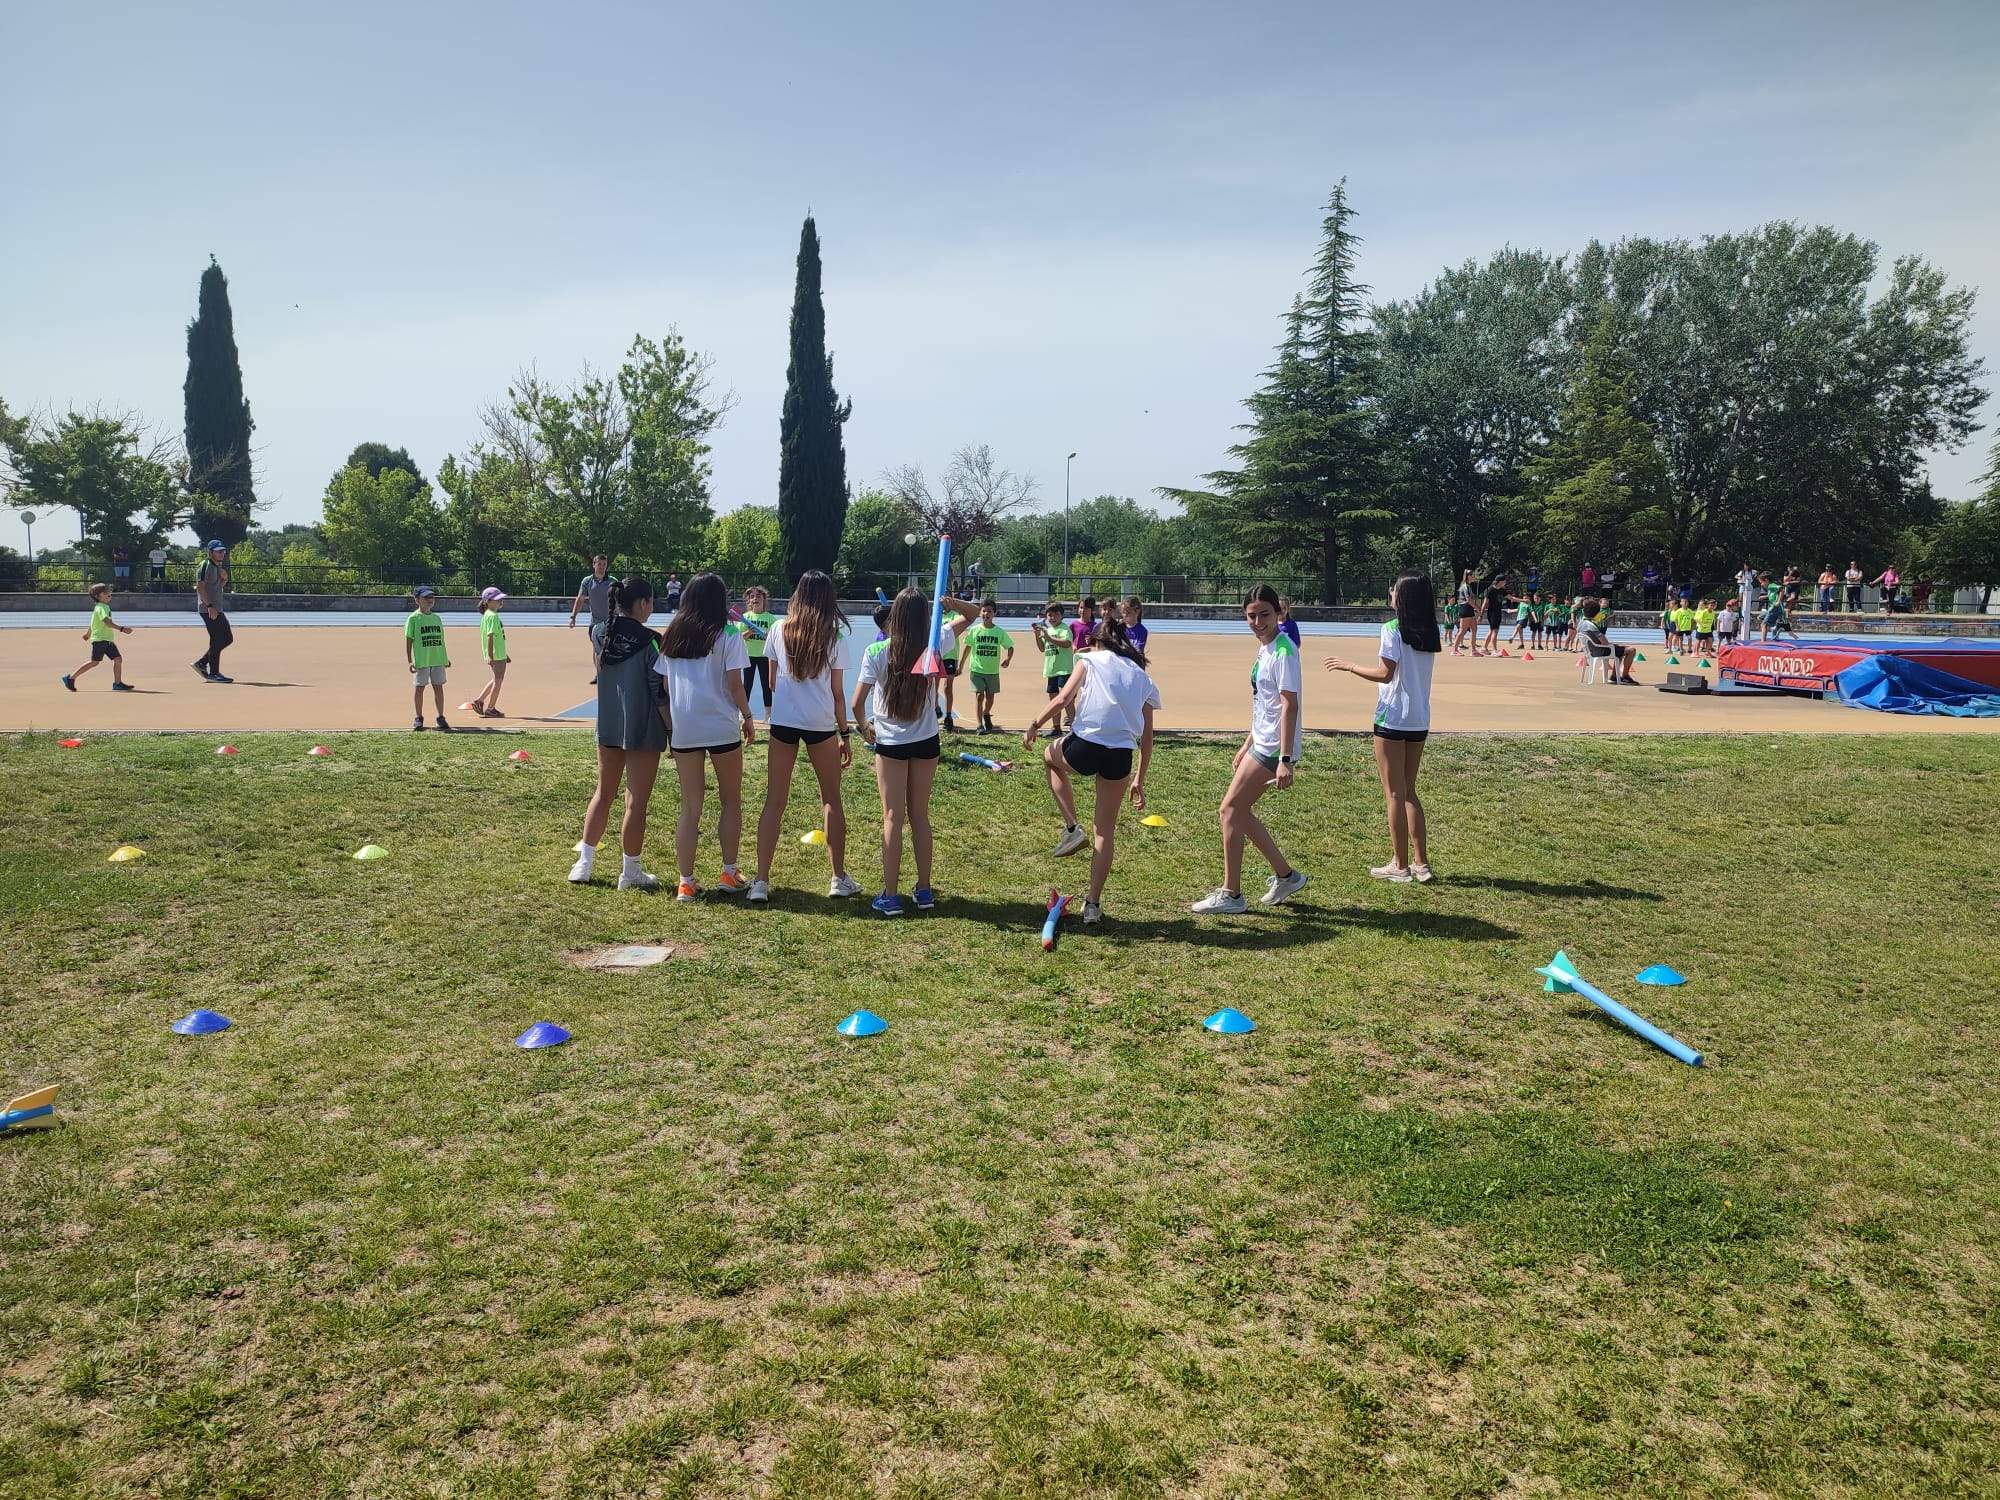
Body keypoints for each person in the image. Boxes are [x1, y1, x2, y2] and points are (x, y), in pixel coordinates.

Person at [1023, 617, 1158, 925]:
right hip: (1121, 755)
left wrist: (1035, 725)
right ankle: (1093, 905)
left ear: (1097, 642)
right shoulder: (1142, 676)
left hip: (1086, 744)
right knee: (1104, 832)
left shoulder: (1090, 659)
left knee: (1049, 757)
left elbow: (1063, 697)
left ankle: (1072, 828)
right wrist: (1139, 778)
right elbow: (1148, 736)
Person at [852, 589, 978, 916]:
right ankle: (924, 890)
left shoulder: (878, 650)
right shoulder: (935, 643)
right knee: (919, 816)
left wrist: (865, 727)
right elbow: (974, 614)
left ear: (894, 617)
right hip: (926, 742)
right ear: (925, 616)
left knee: (893, 817)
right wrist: (952, 603)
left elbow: (856, 703)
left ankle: (890, 895)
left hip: (891, 744)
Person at [1192, 585, 1308, 914]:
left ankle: (1232, 894)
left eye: (1265, 615)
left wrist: (1285, 759)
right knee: (1238, 811)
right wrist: (1247, 742)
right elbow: (1264, 704)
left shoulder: (1283, 650)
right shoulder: (1266, 648)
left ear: (1279, 613)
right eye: (1251, 615)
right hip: (1263, 741)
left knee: (1229, 810)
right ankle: (1286, 875)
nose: (1258, 621)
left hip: (1274, 747)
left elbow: (1289, 706)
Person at [748, 570, 859, 903]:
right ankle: (838, 877)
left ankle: (760, 881)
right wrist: (845, 733)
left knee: (774, 802)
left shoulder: (778, 629)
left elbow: (772, 682)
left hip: (784, 723)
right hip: (821, 724)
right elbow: (838, 693)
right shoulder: (834, 636)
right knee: (831, 800)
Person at [1324, 572, 1441, 883]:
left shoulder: (1391, 630)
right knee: (1409, 792)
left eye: (1394, 590)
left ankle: (1399, 865)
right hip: (1419, 719)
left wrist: (1349, 666)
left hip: (1391, 719)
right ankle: (1421, 863)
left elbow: (1385, 674)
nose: (1390, 593)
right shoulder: (1431, 630)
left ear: (1401, 598)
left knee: (1394, 793)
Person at [655, 572, 755, 901]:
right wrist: (749, 716)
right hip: (720, 725)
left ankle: (685, 881)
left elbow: (666, 687)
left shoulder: (672, 634)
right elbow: (735, 684)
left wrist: (672, 725)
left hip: (685, 728)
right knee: (730, 800)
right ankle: (729, 872)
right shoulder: (728, 634)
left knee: (690, 806)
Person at [571, 575, 669, 889]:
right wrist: (672, 728)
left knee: (603, 793)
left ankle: (583, 863)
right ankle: (630, 872)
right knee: (635, 802)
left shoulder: (600, 632)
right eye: (651, 601)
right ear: (643, 603)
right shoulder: (652, 640)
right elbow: (659, 690)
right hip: (643, 729)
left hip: (609, 726)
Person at [62, 583, 136, 693]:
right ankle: (70, 678)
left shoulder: (100, 607)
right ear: (98, 596)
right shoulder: (102, 607)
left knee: (118, 659)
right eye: (106, 592)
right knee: (94, 662)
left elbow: (93, 622)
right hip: (100, 640)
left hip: (106, 640)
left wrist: (88, 634)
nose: (109, 594)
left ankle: (117, 683)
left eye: (109, 592)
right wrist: (122, 629)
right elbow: (107, 622)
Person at [962, 600, 1015, 734]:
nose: (986, 613)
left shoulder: (999, 632)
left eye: (989, 611)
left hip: (992, 671)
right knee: (979, 696)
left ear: (994, 613)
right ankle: (979, 725)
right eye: (984, 611)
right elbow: (967, 647)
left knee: (990, 697)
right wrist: (961, 664)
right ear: (980, 613)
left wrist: (1008, 659)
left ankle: (986, 713)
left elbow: (1010, 647)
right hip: (976, 669)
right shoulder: (974, 630)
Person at [403, 585, 451, 731]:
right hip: (422, 660)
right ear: (417, 600)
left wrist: (445, 658)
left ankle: (440, 716)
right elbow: (409, 640)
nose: (430, 600)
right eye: (426, 598)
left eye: (432, 597)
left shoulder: (437, 618)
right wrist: (410, 661)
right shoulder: (413, 619)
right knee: (420, 688)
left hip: (437, 659)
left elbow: (441, 640)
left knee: (438, 687)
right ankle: (418, 717)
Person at [1033, 601, 1076, 738]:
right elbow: (1041, 648)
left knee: (1066, 699)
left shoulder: (1064, 629)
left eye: (1056, 614)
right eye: (1050, 615)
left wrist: (1049, 638)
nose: (1052, 617)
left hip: (1064, 669)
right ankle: (1056, 727)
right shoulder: (1048, 630)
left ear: (1061, 616)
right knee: (1053, 699)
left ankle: (1075, 728)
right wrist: (1037, 634)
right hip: (1051, 670)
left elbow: (1067, 643)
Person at [192, 540, 233, 682]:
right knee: (219, 639)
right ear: (211, 552)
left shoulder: (217, 567)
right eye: (218, 551)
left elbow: (216, 587)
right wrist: (209, 606)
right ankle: (213, 673)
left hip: (216, 607)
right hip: (208, 609)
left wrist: (224, 580)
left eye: (223, 551)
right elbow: (200, 587)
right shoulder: (206, 565)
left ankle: (203, 663)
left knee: (226, 638)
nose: (221, 553)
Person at [569, 555, 614, 682]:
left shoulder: (612, 581)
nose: (601, 567)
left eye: (604, 564)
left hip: (611, 622)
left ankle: (610, 673)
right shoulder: (587, 581)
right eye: (599, 564)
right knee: (596, 649)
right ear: (594, 565)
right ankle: (599, 674)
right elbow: (580, 599)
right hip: (595, 622)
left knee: (611, 647)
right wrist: (573, 616)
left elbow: (620, 600)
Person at [466, 588, 509, 717]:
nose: (501, 601)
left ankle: (479, 701)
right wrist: (491, 655)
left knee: (496, 679)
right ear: (488, 601)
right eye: (497, 599)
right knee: (498, 681)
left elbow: (497, 636)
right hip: (496, 654)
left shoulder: (488, 615)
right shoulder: (492, 616)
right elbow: (490, 636)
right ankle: (490, 708)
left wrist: (504, 654)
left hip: (498, 653)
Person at [737, 584, 777, 720]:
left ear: (764, 600)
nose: (755, 599)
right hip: (748, 656)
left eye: (759, 596)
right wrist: (749, 632)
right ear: (748, 600)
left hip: (764, 656)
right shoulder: (745, 617)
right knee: (746, 685)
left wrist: (767, 636)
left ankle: (769, 714)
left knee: (767, 684)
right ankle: (743, 713)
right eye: (752, 597)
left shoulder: (770, 618)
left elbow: (775, 638)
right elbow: (739, 637)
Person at [1577, 599, 1640, 682]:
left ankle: (1614, 676)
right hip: (1599, 650)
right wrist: (1611, 644)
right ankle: (1625, 675)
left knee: (1619, 650)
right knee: (1631, 650)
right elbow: (1605, 642)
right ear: (1596, 613)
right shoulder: (1591, 626)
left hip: (1589, 651)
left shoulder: (1581, 623)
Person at [1479, 574, 1511, 656]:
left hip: (1498, 612)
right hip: (1492, 612)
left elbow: (1511, 598)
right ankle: (1494, 650)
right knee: (1495, 631)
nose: (1505, 582)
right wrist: (1481, 615)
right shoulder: (1491, 590)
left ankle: (1484, 648)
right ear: (1500, 581)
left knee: (1491, 631)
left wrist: (1522, 600)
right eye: (1504, 581)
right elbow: (1485, 603)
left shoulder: (1501, 590)